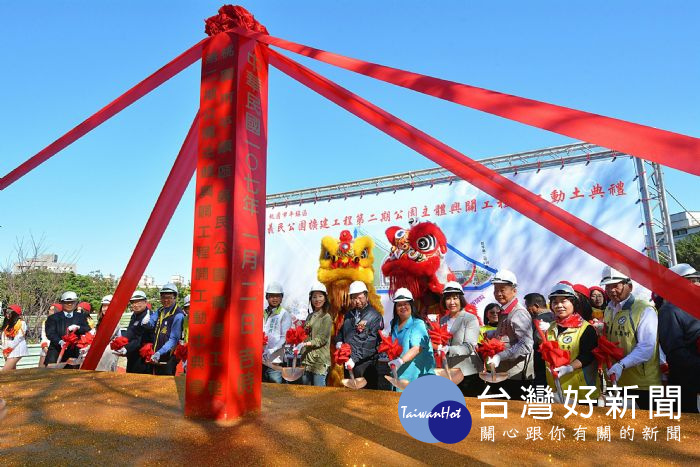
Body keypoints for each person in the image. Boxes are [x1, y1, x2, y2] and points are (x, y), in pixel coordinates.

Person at [601, 266, 660, 409]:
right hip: (615, 380)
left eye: (616, 285)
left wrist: (622, 365)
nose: (611, 290)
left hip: (642, 383)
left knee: (647, 428)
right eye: (607, 286)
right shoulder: (609, 309)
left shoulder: (644, 309)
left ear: (630, 286)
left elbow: (647, 347)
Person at [544, 283, 599, 401]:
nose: (559, 306)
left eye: (563, 301)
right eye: (555, 302)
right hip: (556, 391)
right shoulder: (550, 328)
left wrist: (569, 368)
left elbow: (588, 355)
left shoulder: (585, 328)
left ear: (573, 303)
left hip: (581, 393)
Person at [485, 270, 534, 400]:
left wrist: (500, 356)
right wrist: (491, 334)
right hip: (504, 374)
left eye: (502, 289)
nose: (498, 293)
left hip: (515, 377)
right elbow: (508, 334)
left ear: (514, 290)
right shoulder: (505, 310)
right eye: (496, 289)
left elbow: (526, 345)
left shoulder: (518, 312)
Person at [658, 263, 700, 413]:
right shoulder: (669, 311)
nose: (697, 283)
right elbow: (675, 351)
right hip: (686, 380)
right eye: (691, 280)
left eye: (696, 279)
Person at [336, 280, 384, 389]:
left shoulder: (375, 316)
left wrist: (354, 358)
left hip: (365, 365)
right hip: (349, 363)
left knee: (366, 399)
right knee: (350, 398)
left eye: (360, 298)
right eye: (354, 298)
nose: (357, 301)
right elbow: (342, 331)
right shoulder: (349, 314)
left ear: (366, 296)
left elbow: (371, 342)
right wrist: (339, 342)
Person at [387, 288, 435, 391]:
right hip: (398, 377)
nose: (403, 307)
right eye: (399, 304)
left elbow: (417, 348)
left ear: (411, 306)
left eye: (406, 304)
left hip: (416, 378)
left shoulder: (418, 324)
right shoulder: (393, 325)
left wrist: (400, 361)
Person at [439, 282, 481, 396]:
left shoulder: (470, 318)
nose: (452, 302)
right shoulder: (442, 320)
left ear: (461, 300)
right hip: (448, 372)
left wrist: (449, 349)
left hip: (467, 373)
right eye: (448, 298)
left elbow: (469, 347)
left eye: (455, 298)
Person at [44, 291, 91, 368]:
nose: (70, 304)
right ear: (62, 303)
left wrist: (78, 328)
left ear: (76, 303)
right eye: (67, 302)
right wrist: (60, 342)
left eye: (72, 302)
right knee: (52, 376)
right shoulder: (53, 318)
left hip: (74, 352)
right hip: (56, 351)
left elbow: (87, 329)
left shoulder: (80, 317)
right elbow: (50, 333)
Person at [299, 282, 333, 386]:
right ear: (311, 299)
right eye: (314, 297)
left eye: (320, 296)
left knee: (319, 395)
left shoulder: (326, 317)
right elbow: (305, 335)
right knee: (305, 393)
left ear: (325, 298)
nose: (317, 299)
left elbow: (322, 339)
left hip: (319, 361)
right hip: (306, 360)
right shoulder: (309, 316)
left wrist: (305, 344)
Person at [147, 283, 185, 375]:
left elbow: (173, 339)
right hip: (156, 354)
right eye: (163, 297)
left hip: (168, 356)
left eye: (169, 297)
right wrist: (145, 322)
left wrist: (160, 352)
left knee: (166, 384)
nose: (165, 300)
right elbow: (150, 324)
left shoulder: (178, 315)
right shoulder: (160, 310)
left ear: (175, 297)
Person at [263, 282, 292, 384]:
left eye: (277, 296)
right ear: (267, 297)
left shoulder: (284, 314)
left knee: (275, 392)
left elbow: (284, 338)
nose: (274, 299)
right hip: (261, 360)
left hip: (275, 362)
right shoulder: (262, 313)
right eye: (271, 296)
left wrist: (272, 350)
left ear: (281, 298)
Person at [524, 292, 554, 388]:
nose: (527, 310)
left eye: (528, 307)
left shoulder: (538, 321)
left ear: (536, 306)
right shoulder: (555, 317)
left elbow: (534, 341)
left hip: (541, 365)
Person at [120, 290, 154, 374]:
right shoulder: (134, 315)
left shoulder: (148, 317)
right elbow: (130, 333)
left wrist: (126, 349)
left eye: (138, 302)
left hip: (142, 357)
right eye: (133, 302)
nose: (135, 305)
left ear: (145, 302)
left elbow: (139, 338)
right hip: (132, 355)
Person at [93, 295, 120, 372]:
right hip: (99, 354)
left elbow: (105, 338)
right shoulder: (102, 321)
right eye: (104, 306)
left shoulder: (114, 321)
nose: (105, 309)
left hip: (109, 354)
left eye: (108, 306)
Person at [1, 305, 29, 371]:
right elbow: (4, 336)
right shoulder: (7, 323)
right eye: (6, 312)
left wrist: (8, 349)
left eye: (9, 312)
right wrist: (4, 349)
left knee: (5, 372)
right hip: (7, 349)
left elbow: (18, 338)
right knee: (11, 372)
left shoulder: (21, 323)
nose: (7, 314)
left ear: (14, 314)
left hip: (16, 349)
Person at [38, 303, 61, 367]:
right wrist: (45, 348)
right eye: (49, 309)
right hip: (45, 349)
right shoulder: (45, 322)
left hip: (56, 351)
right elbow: (43, 337)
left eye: (52, 310)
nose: (49, 311)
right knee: (40, 370)